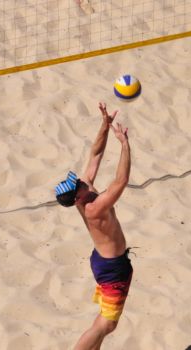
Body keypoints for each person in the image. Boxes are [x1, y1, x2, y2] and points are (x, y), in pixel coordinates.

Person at [54, 102, 131, 350]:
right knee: (105, 325)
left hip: (104, 260)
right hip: (112, 267)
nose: (80, 181)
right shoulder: (94, 207)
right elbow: (121, 181)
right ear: (76, 198)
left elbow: (95, 154)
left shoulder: (84, 192)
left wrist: (105, 125)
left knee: (106, 321)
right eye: (77, 185)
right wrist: (125, 145)